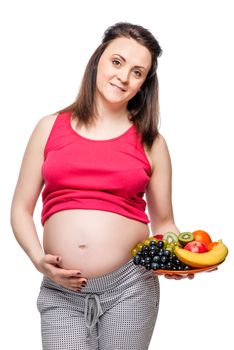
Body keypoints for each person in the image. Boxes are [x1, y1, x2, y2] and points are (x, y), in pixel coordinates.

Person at [10, 22, 194, 350]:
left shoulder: (152, 143)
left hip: (130, 286)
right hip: (61, 291)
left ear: (144, 84)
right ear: (98, 60)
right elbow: (21, 209)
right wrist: (39, 260)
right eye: (117, 62)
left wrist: (179, 257)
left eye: (137, 72)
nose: (123, 77)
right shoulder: (49, 127)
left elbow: (163, 221)